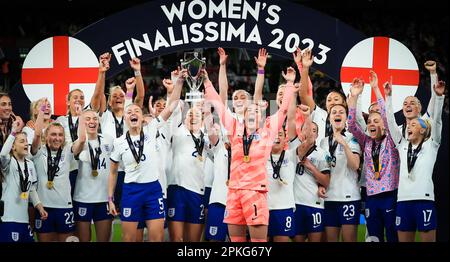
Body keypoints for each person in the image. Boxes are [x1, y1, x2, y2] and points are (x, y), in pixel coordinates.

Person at [204, 66, 298, 242]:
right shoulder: (234, 128)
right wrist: (207, 82)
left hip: (255, 192)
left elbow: (284, 110)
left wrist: (290, 83)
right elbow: (218, 104)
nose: (253, 113)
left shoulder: (268, 131)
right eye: (250, 111)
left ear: (261, 116)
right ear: (244, 116)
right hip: (233, 192)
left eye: (257, 111)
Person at [108, 69, 183, 242]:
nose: (133, 113)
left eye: (137, 111)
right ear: (125, 118)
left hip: (153, 190)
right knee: (129, 238)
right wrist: (110, 199)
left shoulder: (152, 129)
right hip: (131, 191)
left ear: (143, 117)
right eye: (129, 112)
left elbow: (171, 107)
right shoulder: (119, 142)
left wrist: (178, 82)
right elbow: (112, 173)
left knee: (156, 238)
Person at [385, 78, 445, 242]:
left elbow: (437, 119)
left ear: (424, 128)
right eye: (408, 125)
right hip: (403, 200)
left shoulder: (432, 144)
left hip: (424, 200)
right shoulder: (402, 144)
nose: (409, 126)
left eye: (414, 124)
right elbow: (390, 121)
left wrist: (439, 97)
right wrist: (388, 97)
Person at [347, 72, 399, 242]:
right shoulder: (366, 142)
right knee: (374, 238)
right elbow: (352, 125)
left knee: (392, 237)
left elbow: (386, 115)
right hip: (371, 197)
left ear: (385, 125)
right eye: (370, 122)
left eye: (377, 121)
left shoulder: (392, 140)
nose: (372, 124)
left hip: (390, 195)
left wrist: (376, 88)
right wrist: (354, 97)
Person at [91, 53, 145, 212]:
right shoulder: (105, 116)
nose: (118, 98)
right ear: (108, 101)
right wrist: (102, 72)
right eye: (114, 96)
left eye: (121, 95)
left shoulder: (131, 113)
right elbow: (97, 96)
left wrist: (137, 72)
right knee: (109, 215)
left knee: (131, 214)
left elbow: (140, 96)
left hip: (131, 171)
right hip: (110, 173)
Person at [31, 106, 85, 242]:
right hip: (43, 207)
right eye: (53, 134)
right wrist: (42, 110)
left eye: (60, 135)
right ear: (46, 136)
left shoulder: (67, 151)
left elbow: (82, 139)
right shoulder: (38, 151)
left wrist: (81, 117)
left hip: (64, 206)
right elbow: (37, 134)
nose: (57, 138)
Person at [288, 102, 331, 242]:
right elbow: (306, 138)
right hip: (295, 204)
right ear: (302, 131)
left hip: (314, 204)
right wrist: (306, 117)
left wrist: (311, 167)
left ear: (318, 134)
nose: (310, 132)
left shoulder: (323, 154)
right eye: (307, 128)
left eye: (314, 130)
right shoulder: (293, 147)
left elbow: (326, 181)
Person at [0, 118, 48, 242]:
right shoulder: (8, 163)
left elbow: (31, 189)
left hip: (24, 219)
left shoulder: (30, 164)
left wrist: (39, 207)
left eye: (27, 141)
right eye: (22, 141)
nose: (26, 144)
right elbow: (2, 155)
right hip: (9, 219)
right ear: (13, 147)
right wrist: (13, 133)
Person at [73, 110, 114, 242]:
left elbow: (114, 169)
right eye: (88, 119)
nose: (92, 121)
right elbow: (77, 147)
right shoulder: (78, 143)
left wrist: (111, 197)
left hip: (104, 199)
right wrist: (80, 121)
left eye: (95, 119)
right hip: (83, 198)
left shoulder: (108, 140)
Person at [298, 49, 347, 143]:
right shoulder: (319, 114)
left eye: (336, 99)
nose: (332, 102)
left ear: (344, 102)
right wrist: (305, 68)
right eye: (329, 100)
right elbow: (303, 95)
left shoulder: (350, 122)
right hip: (319, 156)